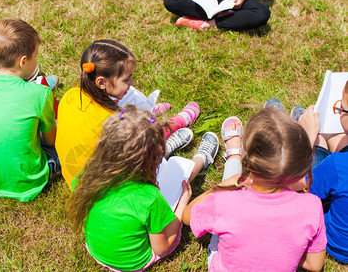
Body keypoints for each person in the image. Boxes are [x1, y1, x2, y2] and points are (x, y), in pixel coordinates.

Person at [67, 105, 219, 272]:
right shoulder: (149, 197)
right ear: (149, 162)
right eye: (158, 156)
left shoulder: (87, 174)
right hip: (134, 261)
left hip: (98, 251)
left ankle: (165, 149)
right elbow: (162, 247)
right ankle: (200, 160)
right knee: (179, 183)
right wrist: (183, 202)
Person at [183, 108, 327, 272]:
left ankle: (233, 158)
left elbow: (188, 216)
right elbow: (315, 265)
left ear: (248, 158)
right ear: (296, 168)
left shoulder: (224, 203)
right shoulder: (312, 206)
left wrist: (226, 185)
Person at [56, 39, 200, 190]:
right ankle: (193, 148)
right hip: (108, 193)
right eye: (126, 79)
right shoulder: (115, 124)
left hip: (77, 183)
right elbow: (138, 162)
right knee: (175, 177)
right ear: (101, 82)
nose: (132, 83)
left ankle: (148, 115)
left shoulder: (70, 95)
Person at [0, 18, 59, 202]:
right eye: (36, 55)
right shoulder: (40, 94)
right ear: (23, 61)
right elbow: (51, 140)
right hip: (30, 182)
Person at [298, 81, 348, 263]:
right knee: (340, 140)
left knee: (319, 143)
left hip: (339, 245)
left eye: (341, 109)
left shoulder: (338, 164)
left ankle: (303, 130)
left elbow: (300, 187)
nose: (340, 112)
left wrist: (307, 139)